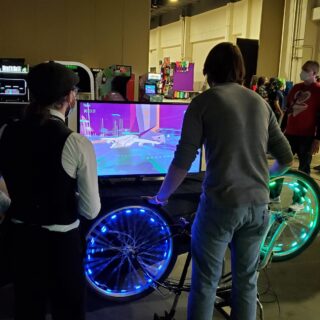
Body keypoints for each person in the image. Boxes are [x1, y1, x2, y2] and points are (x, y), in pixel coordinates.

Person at [146, 42, 293, 320]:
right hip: (258, 206)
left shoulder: (204, 102)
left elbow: (182, 160)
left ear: (208, 70)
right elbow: (285, 157)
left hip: (221, 206)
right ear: (240, 70)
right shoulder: (260, 103)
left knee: (205, 284)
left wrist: (161, 197)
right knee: (246, 283)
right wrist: (261, 176)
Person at [0, 62, 101, 320]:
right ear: (69, 97)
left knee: (26, 308)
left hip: (20, 239)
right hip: (60, 245)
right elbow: (91, 210)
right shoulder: (76, 142)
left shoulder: (7, 132)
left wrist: (13, 206)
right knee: (67, 311)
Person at [282, 61, 320, 177]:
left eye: (306, 70)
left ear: (314, 73)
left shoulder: (318, 91)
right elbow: (288, 110)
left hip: (306, 136)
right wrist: (281, 129)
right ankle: (274, 194)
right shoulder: (296, 88)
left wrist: (317, 139)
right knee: (281, 164)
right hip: (289, 133)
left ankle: (300, 195)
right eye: (302, 69)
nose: (302, 72)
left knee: (303, 169)